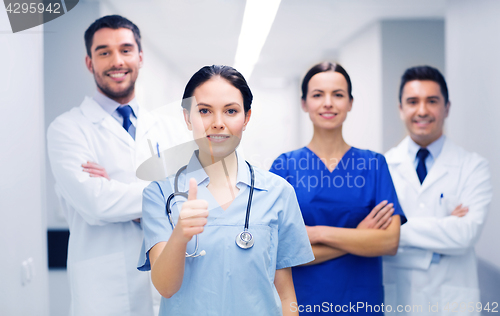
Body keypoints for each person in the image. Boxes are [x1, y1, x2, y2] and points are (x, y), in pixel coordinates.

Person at [137, 65, 314, 316]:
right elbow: (165, 287)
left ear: (247, 117)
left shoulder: (278, 193)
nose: (218, 123)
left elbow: (286, 294)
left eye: (231, 111)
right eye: (205, 111)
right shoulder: (160, 194)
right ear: (187, 118)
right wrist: (180, 235)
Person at [47, 15, 184, 316]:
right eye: (104, 52)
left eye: (125, 49)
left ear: (140, 56)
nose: (116, 60)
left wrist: (119, 192)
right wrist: (161, 196)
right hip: (104, 292)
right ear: (89, 62)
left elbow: (189, 201)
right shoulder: (67, 129)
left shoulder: (171, 130)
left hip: (170, 282)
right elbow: (97, 204)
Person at [270, 62, 406, 315]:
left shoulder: (374, 165)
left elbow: (389, 241)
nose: (328, 103)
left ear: (350, 103)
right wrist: (359, 236)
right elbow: (277, 249)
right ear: (304, 103)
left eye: (338, 95)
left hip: (360, 302)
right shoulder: (285, 166)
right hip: (303, 302)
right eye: (318, 95)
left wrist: (317, 233)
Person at [383, 66, 492, 315]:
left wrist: (395, 228)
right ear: (401, 108)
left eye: (432, 101)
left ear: (447, 107)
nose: (422, 110)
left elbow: (466, 234)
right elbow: (373, 237)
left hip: (452, 300)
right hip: (399, 297)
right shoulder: (382, 166)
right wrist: (445, 225)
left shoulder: (473, 166)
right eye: (413, 101)